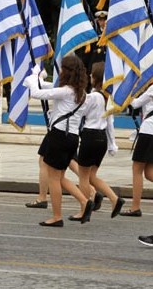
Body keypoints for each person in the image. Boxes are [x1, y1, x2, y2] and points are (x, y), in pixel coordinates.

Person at [24, 55, 93, 227]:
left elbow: (38, 93)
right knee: (60, 177)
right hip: (73, 137)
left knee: (53, 178)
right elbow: (50, 88)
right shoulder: (82, 93)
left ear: (67, 72)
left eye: (62, 69)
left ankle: (56, 216)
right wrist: (39, 79)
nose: (60, 71)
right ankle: (84, 202)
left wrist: (33, 78)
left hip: (60, 136)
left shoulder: (65, 91)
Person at [73, 62, 125, 219]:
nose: (89, 76)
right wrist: (112, 143)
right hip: (101, 138)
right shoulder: (107, 98)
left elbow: (80, 110)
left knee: (83, 176)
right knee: (92, 176)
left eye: (91, 74)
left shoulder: (93, 96)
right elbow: (110, 123)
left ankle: (83, 208)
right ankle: (115, 199)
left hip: (89, 136)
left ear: (95, 78)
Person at [120, 84, 153, 217]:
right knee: (149, 172)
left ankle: (135, 207)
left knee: (137, 169)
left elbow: (136, 103)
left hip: (149, 130)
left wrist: (124, 94)